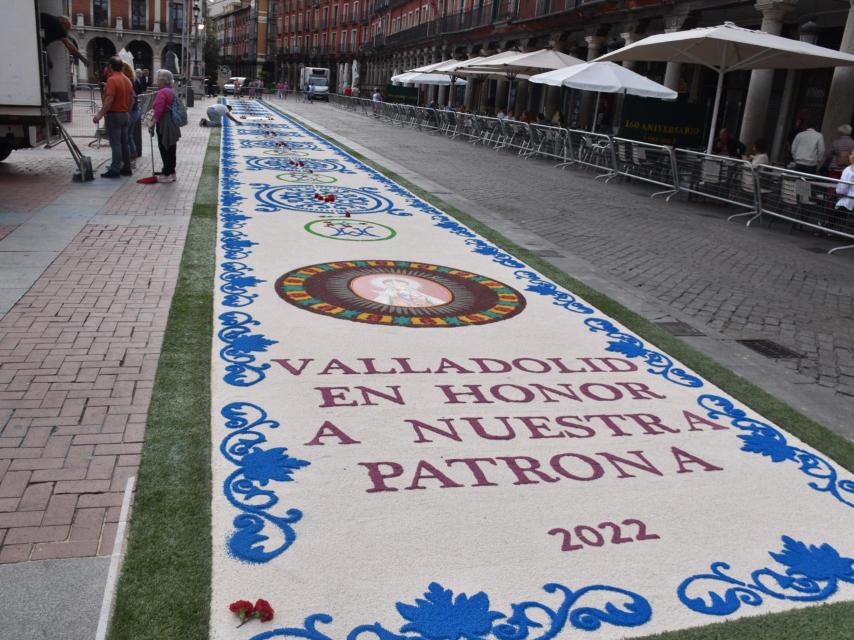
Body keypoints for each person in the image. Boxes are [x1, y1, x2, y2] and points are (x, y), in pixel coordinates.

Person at [92, 57, 133, 178]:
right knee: (124, 143)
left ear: (110, 66)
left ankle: (115, 169)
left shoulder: (112, 80)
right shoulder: (127, 80)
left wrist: (99, 115)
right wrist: (127, 111)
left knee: (116, 144)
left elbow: (109, 100)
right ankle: (127, 167)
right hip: (125, 114)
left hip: (114, 114)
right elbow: (132, 99)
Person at [149, 69, 181, 183]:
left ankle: (167, 174)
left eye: (157, 78)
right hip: (172, 123)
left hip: (165, 123)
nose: (156, 81)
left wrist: (152, 123)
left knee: (165, 148)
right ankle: (171, 172)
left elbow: (159, 110)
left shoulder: (162, 92)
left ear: (162, 80)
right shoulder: (172, 90)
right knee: (171, 148)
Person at [122, 62, 140, 160]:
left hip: (131, 111)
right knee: (129, 134)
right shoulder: (133, 80)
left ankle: (128, 155)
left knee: (126, 135)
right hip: (135, 111)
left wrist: (127, 112)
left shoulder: (127, 82)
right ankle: (133, 152)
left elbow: (132, 98)